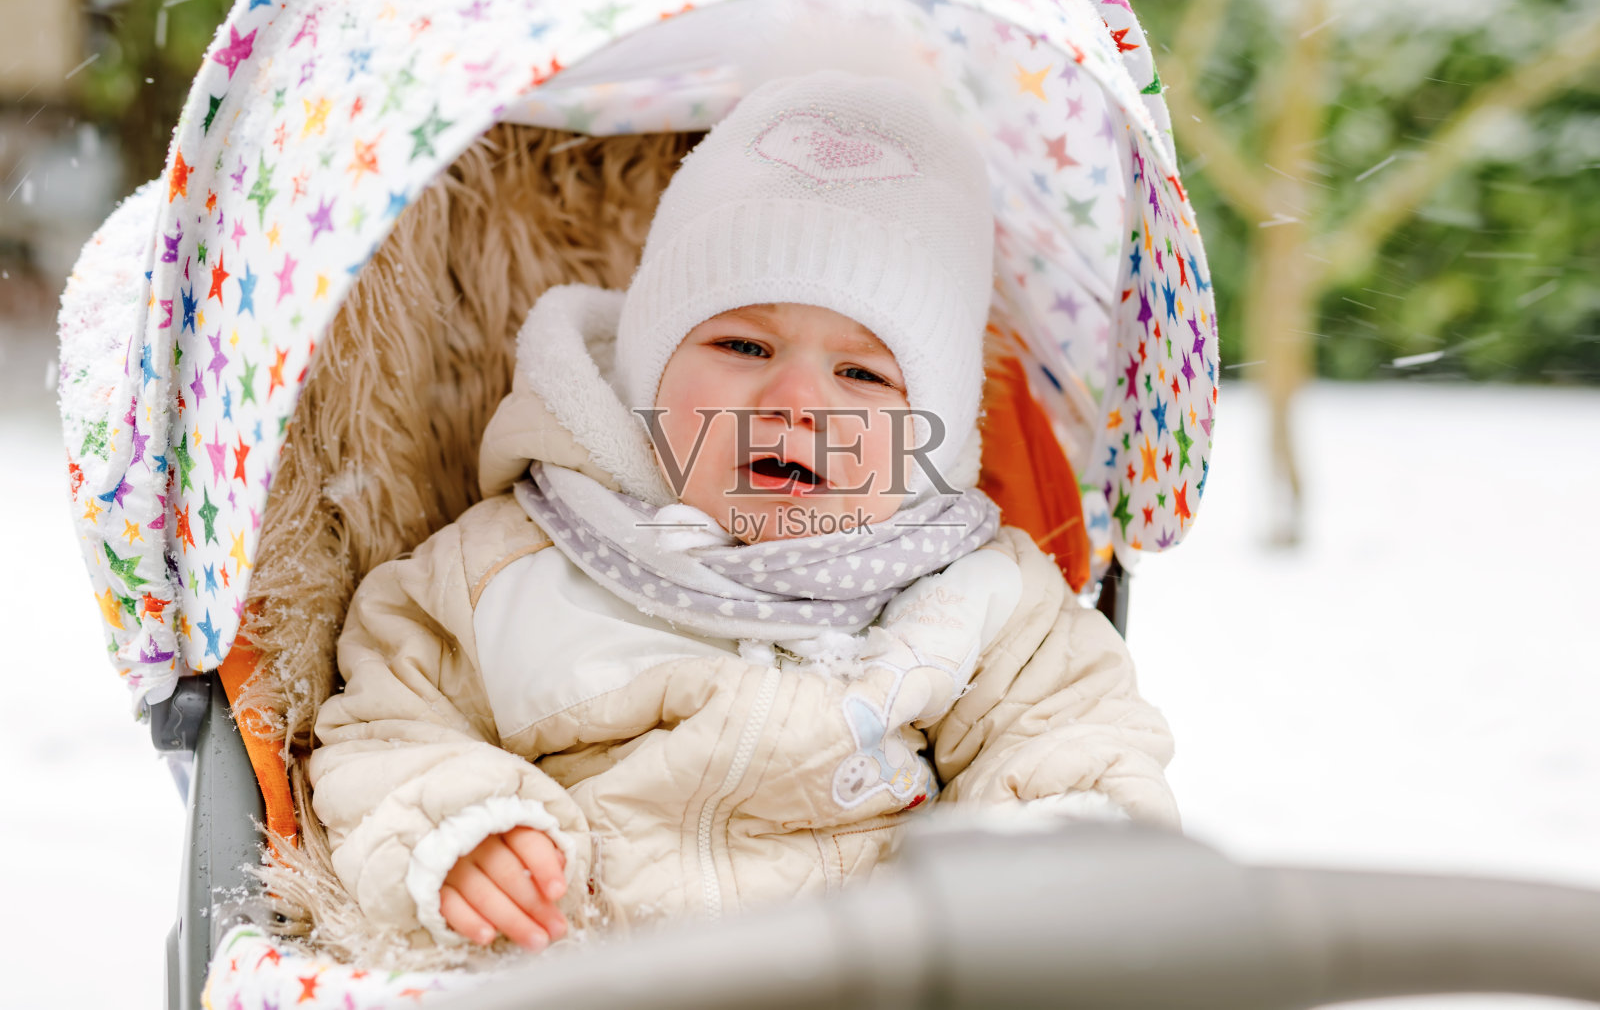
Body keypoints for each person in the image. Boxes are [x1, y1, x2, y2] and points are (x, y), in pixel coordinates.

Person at [308, 71, 1178, 956]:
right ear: (647, 370)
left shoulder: (982, 600)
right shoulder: (508, 568)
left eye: (864, 374)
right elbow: (389, 720)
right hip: (583, 967)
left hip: (872, 972)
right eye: (743, 344)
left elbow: (1069, 735)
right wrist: (462, 824)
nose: (796, 398)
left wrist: (1060, 838)